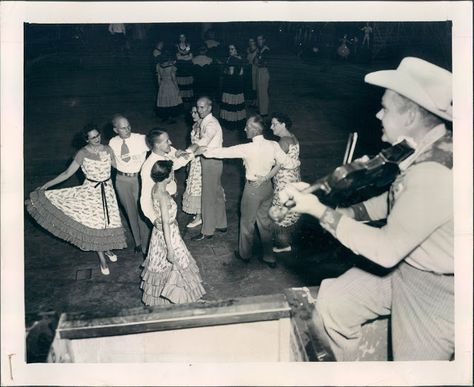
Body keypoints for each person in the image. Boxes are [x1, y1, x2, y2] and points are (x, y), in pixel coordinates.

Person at [278, 57, 454, 360]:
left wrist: (320, 211)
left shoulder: (432, 173)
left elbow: (386, 250)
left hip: (437, 289)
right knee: (335, 304)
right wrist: (349, 214)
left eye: (385, 108)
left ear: (410, 116)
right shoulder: (426, 146)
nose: (378, 114)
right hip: (405, 266)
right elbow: (397, 199)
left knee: (413, 371)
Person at [197, 115, 300, 268]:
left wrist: (201, 150)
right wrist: (297, 162)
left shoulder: (247, 148)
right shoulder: (273, 145)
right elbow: (289, 162)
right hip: (267, 189)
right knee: (265, 223)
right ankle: (269, 257)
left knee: (247, 224)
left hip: (252, 190)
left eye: (246, 126)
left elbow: (222, 152)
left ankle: (244, 254)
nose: (244, 129)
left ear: (253, 130)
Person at [26, 124, 127, 276]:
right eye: (93, 137)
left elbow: (119, 165)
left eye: (98, 135)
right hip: (91, 192)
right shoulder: (82, 153)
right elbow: (67, 173)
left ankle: (106, 248)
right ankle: (102, 260)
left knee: (107, 223)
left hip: (108, 191)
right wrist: (46, 185)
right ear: (86, 139)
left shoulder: (107, 149)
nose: (97, 139)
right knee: (94, 224)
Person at [141, 160, 206, 306]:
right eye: (172, 172)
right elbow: (165, 222)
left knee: (162, 266)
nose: (173, 174)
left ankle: (173, 300)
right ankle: (189, 299)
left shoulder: (155, 188)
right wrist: (170, 249)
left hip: (158, 235)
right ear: (167, 175)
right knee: (181, 264)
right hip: (169, 235)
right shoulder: (163, 195)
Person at [109, 115, 150, 256]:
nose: (127, 130)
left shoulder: (141, 139)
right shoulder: (112, 142)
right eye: (123, 128)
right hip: (121, 180)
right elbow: (111, 160)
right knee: (130, 212)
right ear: (115, 130)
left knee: (142, 212)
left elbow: (160, 144)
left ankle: (146, 245)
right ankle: (138, 242)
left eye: (128, 126)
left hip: (138, 179)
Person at [189, 97, 228, 241]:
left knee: (208, 196)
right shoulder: (206, 122)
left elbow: (204, 141)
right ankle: (221, 223)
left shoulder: (211, 124)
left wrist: (189, 151)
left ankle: (207, 231)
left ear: (210, 108)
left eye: (203, 107)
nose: (200, 110)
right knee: (216, 192)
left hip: (211, 162)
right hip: (215, 161)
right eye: (198, 107)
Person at [140, 128, 192, 227]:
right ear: (157, 145)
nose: (171, 142)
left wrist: (188, 153)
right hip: (162, 207)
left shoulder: (166, 153)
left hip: (171, 201)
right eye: (167, 141)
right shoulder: (149, 167)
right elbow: (145, 197)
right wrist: (154, 219)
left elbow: (174, 163)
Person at [268, 112, 301, 253]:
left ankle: (283, 245)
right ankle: (287, 240)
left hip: (283, 182)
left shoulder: (283, 142)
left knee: (279, 212)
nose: (271, 127)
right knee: (289, 210)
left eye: (274, 124)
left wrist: (265, 176)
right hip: (293, 178)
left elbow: (276, 164)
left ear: (283, 124)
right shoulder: (293, 137)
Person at [182, 107, 203, 228]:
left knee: (198, 188)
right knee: (194, 186)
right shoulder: (195, 125)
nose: (193, 115)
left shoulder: (204, 127)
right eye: (192, 112)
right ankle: (199, 213)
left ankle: (199, 217)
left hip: (200, 160)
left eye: (196, 112)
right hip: (194, 160)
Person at [220, 44, 247, 130]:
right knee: (237, 102)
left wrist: (224, 71)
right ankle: (238, 121)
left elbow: (231, 73)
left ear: (236, 50)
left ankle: (230, 123)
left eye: (232, 49)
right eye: (229, 49)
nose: (230, 51)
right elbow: (241, 73)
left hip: (230, 83)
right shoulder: (240, 58)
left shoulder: (231, 59)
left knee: (230, 102)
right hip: (238, 83)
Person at [155, 53, 183, 124]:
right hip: (170, 85)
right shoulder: (171, 67)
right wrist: (177, 88)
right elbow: (174, 79)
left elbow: (158, 78)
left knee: (164, 101)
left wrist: (160, 86)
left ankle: (165, 117)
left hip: (163, 85)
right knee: (172, 101)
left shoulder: (158, 66)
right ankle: (171, 117)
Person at [175, 33, 194, 102]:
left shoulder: (188, 45)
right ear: (179, 38)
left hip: (188, 70)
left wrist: (182, 57)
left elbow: (189, 56)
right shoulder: (176, 46)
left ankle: (188, 99)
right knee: (181, 86)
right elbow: (178, 57)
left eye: (183, 37)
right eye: (181, 37)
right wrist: (185, 57)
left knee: (188, 86)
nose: (182, 38)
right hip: (180, 70)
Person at [254, 35, 270, 117]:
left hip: (264, 71)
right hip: (259, 71)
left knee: (263, 92)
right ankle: (260, 109)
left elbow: (264, 62)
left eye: (260, 39)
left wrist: (258, 61)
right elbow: (255, 60)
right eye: (258, 39)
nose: (259, 41)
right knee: (259, 91)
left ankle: (264, 112)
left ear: (264, 40)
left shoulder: (266, 50)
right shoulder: (259, 49)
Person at [245, 38, 258, 107]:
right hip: (249, 69)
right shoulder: (248, 50)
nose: (250, 43)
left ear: (254, 42)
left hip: (255, 69)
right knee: (250, 85)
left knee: (254, 85)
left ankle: (255, 101)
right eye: (249, 41)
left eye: (252, 41)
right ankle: (253, 101)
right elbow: (247, 59)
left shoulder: (257, 50)